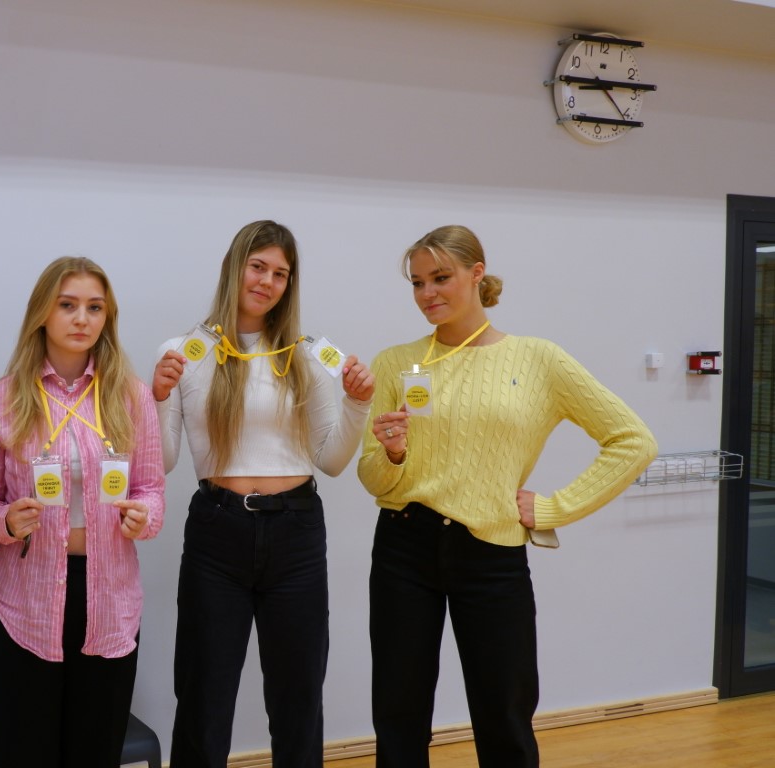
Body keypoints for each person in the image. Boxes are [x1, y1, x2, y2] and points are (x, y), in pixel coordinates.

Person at [357, 225, 658, 768]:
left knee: (505, 713)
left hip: (490, 552)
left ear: (477, 274)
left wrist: (553, 508)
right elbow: (374, 478)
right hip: (404, 546)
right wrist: (394, 456)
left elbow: (633, 440)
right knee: (398, 710)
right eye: (418, 282)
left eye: (441, 277)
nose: (428, 293)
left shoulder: (539, 359)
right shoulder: (394, 363)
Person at [151, 220, 374, 768]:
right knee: (203, 696)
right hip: (217, 532)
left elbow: (332, 461)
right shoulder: (183, 352)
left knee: (298, 698)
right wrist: (156, 396)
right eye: (258, 266)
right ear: (235, 267)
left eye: (280, 273)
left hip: (296, 533)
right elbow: (164, 461)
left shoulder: (307, 356)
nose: (267, 281)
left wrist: (358, 405)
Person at [0, 256, 166, 768]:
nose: (82, 319)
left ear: (107, 317)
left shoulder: (131, 396)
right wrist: (5, 522)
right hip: (24, 602)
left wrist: (143, 516)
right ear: (43, 313)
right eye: (68, 305)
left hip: (108, 602)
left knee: (94, 753)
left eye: (95, 307)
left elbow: (151, 489)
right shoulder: (3, 398)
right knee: (25, 754)